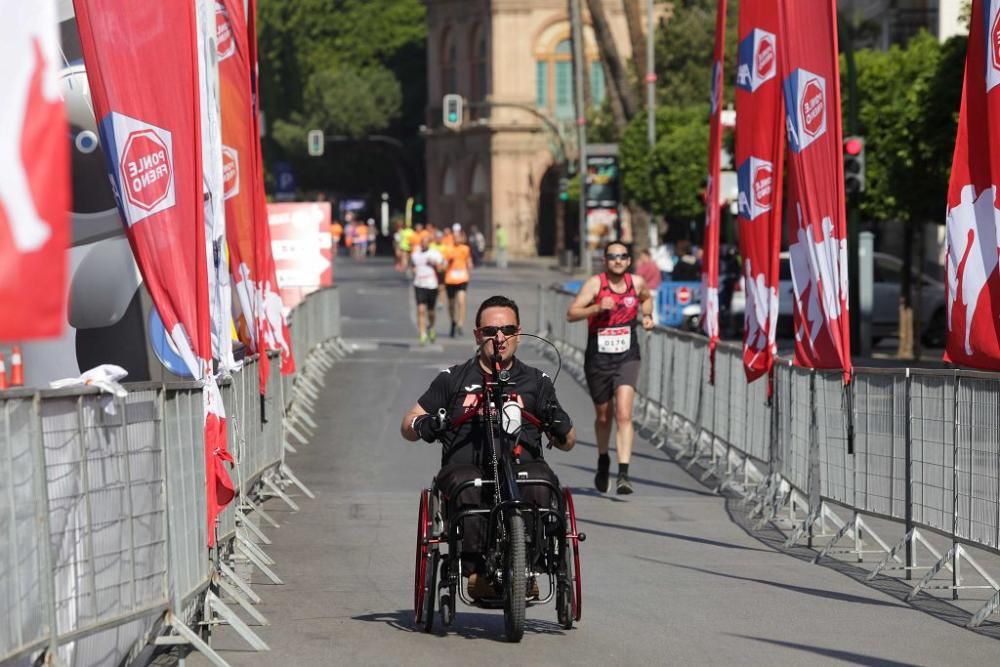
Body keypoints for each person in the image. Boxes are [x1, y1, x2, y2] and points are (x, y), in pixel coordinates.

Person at [400, 295, 576, 599]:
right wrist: (426, 425)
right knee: (467, 485)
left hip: (523, 466)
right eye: (490, 331)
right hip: (466, 467)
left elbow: (568, 442)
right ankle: (475, 570)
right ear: (477, 335)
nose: (499, 337)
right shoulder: (454, 379)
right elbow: (408, 422)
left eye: (507, 329)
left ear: (518, 333)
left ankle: (527, 568)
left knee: (542, 483)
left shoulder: (537, 381)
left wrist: (558, 425)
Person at [566, 241, 654, 495]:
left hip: (628, 355)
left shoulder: (636, 283)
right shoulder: (596, 284)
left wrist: (647, 316)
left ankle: (623, 474)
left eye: (622, 256)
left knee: (624, 414)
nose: (618, 260)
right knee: (604, 416)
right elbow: (571, 313)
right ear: (605, 260)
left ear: (628, 261)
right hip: (598, 358)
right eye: (612, 256)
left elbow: (646, 299)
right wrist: (595, 307)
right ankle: (603, 460)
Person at [410, 233, 445, 344]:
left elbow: (442, 268)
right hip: (419, 284)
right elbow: (413, 266)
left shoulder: (435, 254)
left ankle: (431, 327)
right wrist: (413, 270)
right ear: (421, 243)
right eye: (422, 242)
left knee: (431, 312)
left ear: (429, 243)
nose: (424, 244)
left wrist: (434, 264)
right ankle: (422, 334)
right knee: (420, 310)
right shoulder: (416, 254)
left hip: (432, 285)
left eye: (426, 242)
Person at [444, 229, 473, 337]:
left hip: (462, 278)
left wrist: (469, 264)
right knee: (451, 304)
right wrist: (447, 262)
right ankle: (453, 321)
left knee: (461, 301)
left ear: (461, 238)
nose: (456, 239)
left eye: (458, 237)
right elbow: (443, 263)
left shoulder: (465, 249)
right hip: (450, 279)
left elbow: (468, 260)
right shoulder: (448, 249)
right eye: (454, 237)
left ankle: (460, 323)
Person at [634, 248, 662, 325]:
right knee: (654, 309)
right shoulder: (655, 265)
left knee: (646, 309)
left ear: (647, 256)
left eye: (642, 256)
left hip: (647, 290)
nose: (641, 258)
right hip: (654, 290)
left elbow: (639, 277)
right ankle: (655, 324)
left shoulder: (646, 266)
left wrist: (638, 266)